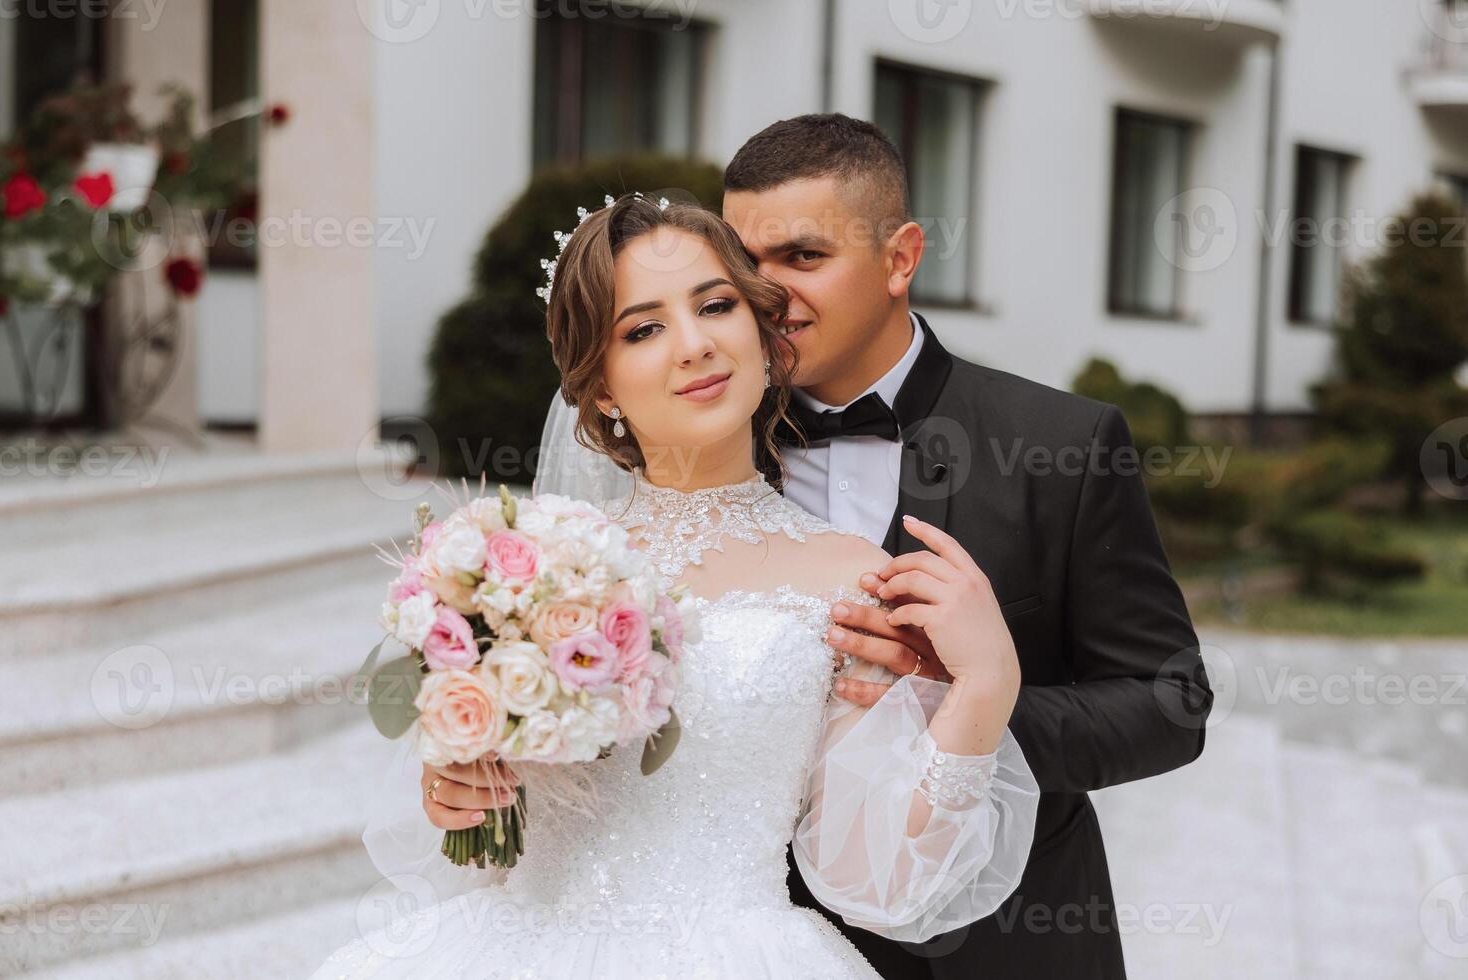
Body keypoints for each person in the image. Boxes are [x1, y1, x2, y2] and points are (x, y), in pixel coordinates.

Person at [528, 114, 1214, 978]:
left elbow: (1170, 702)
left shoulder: (1060, 444)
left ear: (900, 258)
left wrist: (971, 702)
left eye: (803, 258)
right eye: (745, 268)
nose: (766, 296)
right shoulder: (697, 440)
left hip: (1003, 942)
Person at [309, 192, 1040, 979]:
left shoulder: (851, 575)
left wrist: (986, 687)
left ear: (764, 337)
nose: (694, 345)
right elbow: (466, 850)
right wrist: (456, 793)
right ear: (600, 389)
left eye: (717, 305)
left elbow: (872, 882)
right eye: (644, 328)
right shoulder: (523, 564)